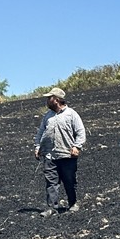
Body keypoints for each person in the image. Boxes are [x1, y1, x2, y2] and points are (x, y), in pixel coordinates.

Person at [33, 87, 86, 216]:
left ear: (56, 99)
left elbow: (80, 132)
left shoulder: (71, 114)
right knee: (51, 182)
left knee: (69, 180)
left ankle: (73, 204)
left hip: (67, 153)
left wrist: (77, 146)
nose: (47, 100)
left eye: (49, 98)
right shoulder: (48, 116)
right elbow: (41, 132)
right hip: (50, 154)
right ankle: (52, 208)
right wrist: (37, 146)